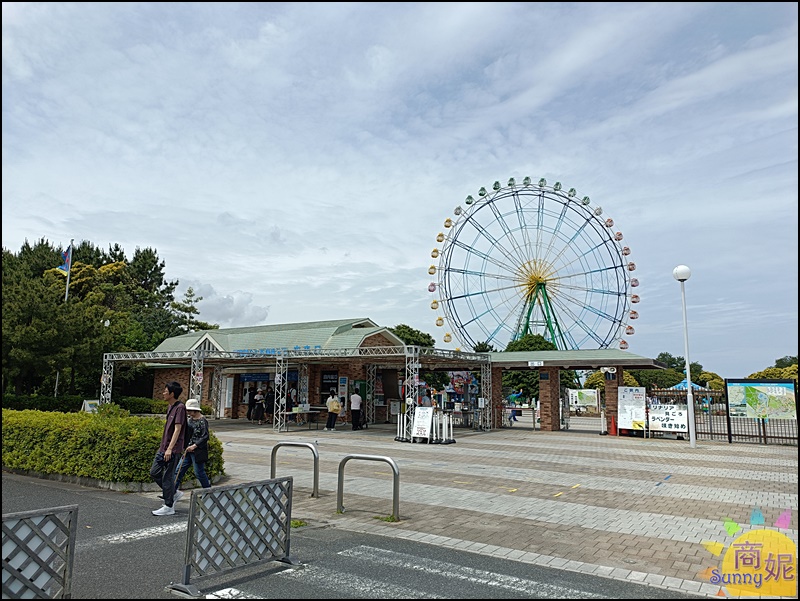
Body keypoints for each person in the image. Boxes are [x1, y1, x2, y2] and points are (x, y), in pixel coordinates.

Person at [150, 381, 187, 516]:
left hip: (172, 449)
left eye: (166, 391)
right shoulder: (170, 407)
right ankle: (173, 493)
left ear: (172, 393)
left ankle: (169, 506)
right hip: (163, 447)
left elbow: (178, 429)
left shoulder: (180, 408)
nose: (163, 393)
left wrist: (170, 449)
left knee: (167, 477)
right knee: (154, 472)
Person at [174, 398, 212, 496]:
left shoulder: (203, 421)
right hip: (188, 450)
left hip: (197, 451)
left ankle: (208, 492)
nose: (188, 412)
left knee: (199, 473)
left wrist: (195, 446)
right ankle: (171, 492)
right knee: (178, 470)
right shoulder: (189, 420)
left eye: (190, 410)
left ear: (196, 410)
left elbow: (205, 436)